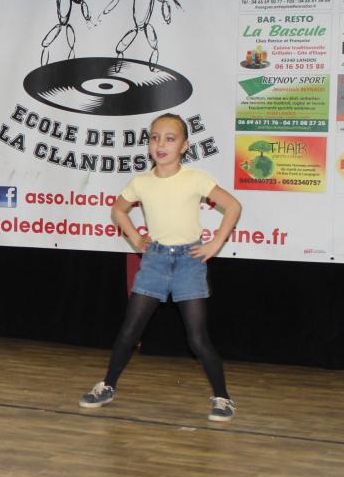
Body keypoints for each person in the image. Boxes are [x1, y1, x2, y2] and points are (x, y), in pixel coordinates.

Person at [79, 112, 242, 421]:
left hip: (189, 262)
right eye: (155, 138)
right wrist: (135, 237)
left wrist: (215, 243)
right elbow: (118, 209)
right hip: (154, 261)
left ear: (184, 146)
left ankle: (223, 397)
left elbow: (233, 206)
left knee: (197, 338)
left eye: (170, 139)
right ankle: (107, 386)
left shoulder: (195, 178)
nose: (161, 144)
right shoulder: (141, 182)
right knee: (129, 331)